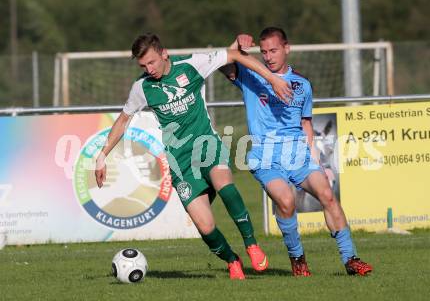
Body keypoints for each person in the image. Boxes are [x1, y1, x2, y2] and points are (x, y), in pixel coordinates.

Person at [94, 33, 292, 280]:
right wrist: (102, 155)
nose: (149, 69)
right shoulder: (142, 87)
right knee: (206, 226)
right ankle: (232, 260)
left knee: (225, 185)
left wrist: (272, 79)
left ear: (164, 53)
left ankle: (251, 244)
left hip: (206, 143)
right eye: (143, 66)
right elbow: (123, 120)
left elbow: (231, 55)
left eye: (152, 62)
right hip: (180, 161)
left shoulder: (190, 65)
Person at [220, 27, 373, 276]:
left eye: (274, 50)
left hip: (299, 155)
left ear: (287, 48)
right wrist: (236, 43)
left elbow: (306, 123)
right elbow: (224, 62)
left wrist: (314, 157)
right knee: (287, 201)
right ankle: (297, 259)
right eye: (264, 51)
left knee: (328, 195)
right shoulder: (252, 76)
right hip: (266, 156)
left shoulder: (302, 84)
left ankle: (351, 259)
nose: (268, 56)